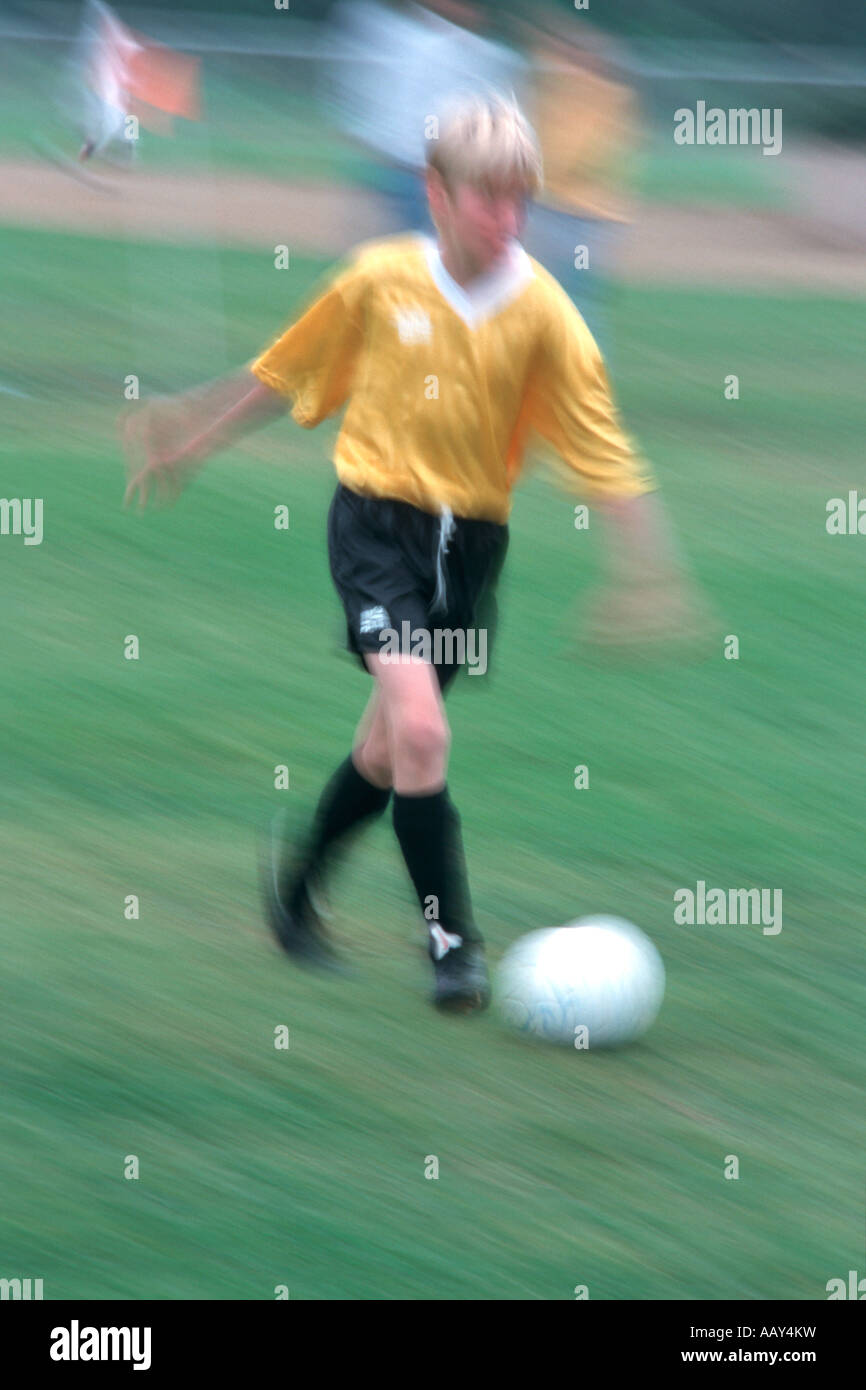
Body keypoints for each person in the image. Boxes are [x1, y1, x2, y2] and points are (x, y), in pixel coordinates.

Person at [123, 91, 693, 1015]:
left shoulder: (545, 314)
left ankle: (296, 895)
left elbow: (603, 448)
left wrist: (646, 568)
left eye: (522, 201)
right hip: (376, 529)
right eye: (488, 199)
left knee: (389, 750)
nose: (508, 220)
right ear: (436, 191)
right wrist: (188, 432)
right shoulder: (378, 279)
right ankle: (454, 948)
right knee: (424, 731)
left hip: (470, 553)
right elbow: (286, 371)